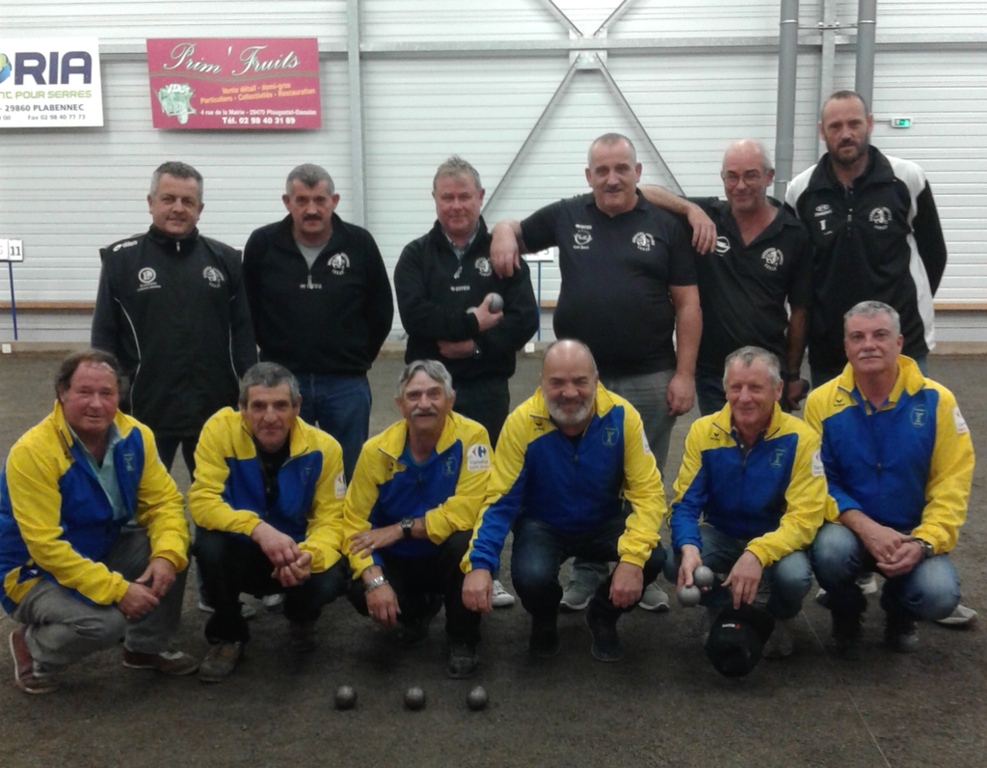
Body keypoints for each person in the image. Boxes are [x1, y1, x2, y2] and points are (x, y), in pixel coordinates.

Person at [489, 133, 700, 612]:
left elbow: (688, 304)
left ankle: (639, 567)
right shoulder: (567, 214)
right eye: (601, 170)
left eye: (621, 168)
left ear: (637, 173)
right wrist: (502, 229)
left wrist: (684, 373)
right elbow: (515, 230)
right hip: (577, 385)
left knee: (644, 479)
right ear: (589, 176)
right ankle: (587, 573)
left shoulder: (665, 225)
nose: (612, 178)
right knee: (583, 479)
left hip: (649, 376)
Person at [0, 350, 197, 694]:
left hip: (98, 547)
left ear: (119, 395)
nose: (96, 404)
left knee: (172, 548)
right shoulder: (33, 452)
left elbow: (165, 503)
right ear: (61, 392)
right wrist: (118, 590)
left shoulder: (136, 435)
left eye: (106, 393)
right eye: (84, 392)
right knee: (105, 624)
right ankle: (31, 645)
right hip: (31, 569)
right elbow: (46, 547)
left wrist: (166, 556)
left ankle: (144, 648)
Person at [462, 340, 666, 663]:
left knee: (652, 557)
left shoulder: (623, 417)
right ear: (541, 383)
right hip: (543, 524)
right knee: (530, 575)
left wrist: (632, 559)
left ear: (596, 380)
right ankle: (545, 617)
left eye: (580, 381)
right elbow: (499, 503)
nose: (569, 392)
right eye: (556, 382)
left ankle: (602, 614)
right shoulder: (521, 423)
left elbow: (649, 494)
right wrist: (479, 564)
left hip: (605, 521)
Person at [394, 155, 539, 608]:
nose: (455, 205)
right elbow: (416, 317)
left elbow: (524, 320)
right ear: (434, 200)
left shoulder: (502, 254)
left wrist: (473, 347)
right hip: (426, 395)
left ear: (480, 197)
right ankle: (426, 570)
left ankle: (484, 566)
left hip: (484, 387)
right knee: (427, 478)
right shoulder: (415, 255)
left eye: (464, 196)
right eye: (447, 197)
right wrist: (473, 321)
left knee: (484, 480)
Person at [806, 301, 974, 657]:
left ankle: (899, 611)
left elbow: (952, 485)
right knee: (829, 552)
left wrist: (924, 542)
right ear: (846, 346)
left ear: (899, 342)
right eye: (857, 337)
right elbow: (818, 483)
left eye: (879, 335)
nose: (868, 344)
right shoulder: (821, 402)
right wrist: (866, 527)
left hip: (911, 533)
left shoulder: (938, 401)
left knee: (939, 595)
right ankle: (846, 611)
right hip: (849, 530)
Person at [91, 160, 257, 477]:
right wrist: (104, 395)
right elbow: (103, 338)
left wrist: (251, 391)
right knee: (140, 498)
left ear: (200, 208)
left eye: (187, 201)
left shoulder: (225, 260)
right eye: (168, 199)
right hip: (145, 407)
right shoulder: (121, 260)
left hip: (214, 407)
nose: (178, 208)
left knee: (220, 496)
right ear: (151, 202)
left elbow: (242, 334)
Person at [187, 363, 349, 682]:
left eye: (280, 405)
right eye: (258, 406)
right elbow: (203, 501)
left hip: (296, 552)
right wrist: (258, 530)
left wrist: (309, 556)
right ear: (242, 407)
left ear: (297, 406)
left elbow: (332, 520)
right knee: (208, 545)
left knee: (333, 572)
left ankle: (301, 615)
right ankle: (228, 635)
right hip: (243, 546)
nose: (270, 417)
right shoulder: (219, 431)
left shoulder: (325, 448)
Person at [666, 346, 827, 658]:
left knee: (795, 577)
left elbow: (805, 518)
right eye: (736, 387)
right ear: (725, 389)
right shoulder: (704, 432)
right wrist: (689, 547)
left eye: (755, 388)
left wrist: (757, 553)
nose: (744, 398)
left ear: (778, 390)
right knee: (676, 562)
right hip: (722, 533)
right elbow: (685, 504)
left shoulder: (802, 439)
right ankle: (721, 608)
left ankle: (775, 617)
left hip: (775, 537)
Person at [785, 91, 948, 388]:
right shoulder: (801, 191)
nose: (845, 134)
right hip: (831, 349)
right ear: (822, 131)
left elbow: (934, 254)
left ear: (869, 124)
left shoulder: (907, 178)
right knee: (835, 421)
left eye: (854, 124)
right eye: (835, 126)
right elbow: (798, 271)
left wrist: (907, 306)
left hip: (902, 345)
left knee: (907, 420)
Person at [243, 163, 393, 481]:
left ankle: (344, 516)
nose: (311, 209)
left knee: (348, 472)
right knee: (282, 470)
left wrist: (356, 358)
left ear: (334, 201)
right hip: (281, 382)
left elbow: (381, 310)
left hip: (345, 384)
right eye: (302, 200)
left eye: (320, 200)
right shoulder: (262, 244)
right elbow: (248, 307)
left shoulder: (359, 243)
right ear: (287, 202)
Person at [640, 140, 813, 414]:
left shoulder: (793, 233)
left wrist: (792, 374)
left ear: (769, 176)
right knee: (718, 441)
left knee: (766, 442)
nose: (740, 185)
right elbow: (642, 193)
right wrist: (690, 209)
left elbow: (800, 313)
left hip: (767, 372)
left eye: (750, 175)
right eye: (732, 176)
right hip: (714, 375)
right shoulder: (708, 218)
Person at [343, 360, 490, 679]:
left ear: (450, 399)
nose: (424, 403)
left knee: (464, 540)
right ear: (400, 404)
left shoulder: (474, 438)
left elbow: (466, 511)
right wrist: (375, 580)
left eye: (434, 394)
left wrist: (401, 529)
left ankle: (463, 637)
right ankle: (415, 612)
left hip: (444, 554)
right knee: (357, 584)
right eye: (414, 395)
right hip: (398, 561)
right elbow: (354, 524)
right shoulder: (375, 451)